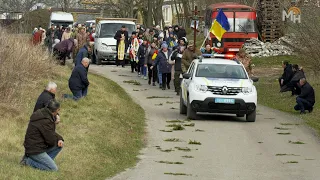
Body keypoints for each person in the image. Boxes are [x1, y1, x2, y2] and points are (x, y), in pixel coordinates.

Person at [20, 100, 64, 171]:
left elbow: (49, 132)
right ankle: (27, 162)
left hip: (34, 147)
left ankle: (42, 162)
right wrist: (56, 137)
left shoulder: (42, 113)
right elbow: (50, 141)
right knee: (53, 169)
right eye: (58, 110)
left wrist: (59, 138)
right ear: (56, 110)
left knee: (59, 144)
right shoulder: (45, 120)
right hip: (35, 150)